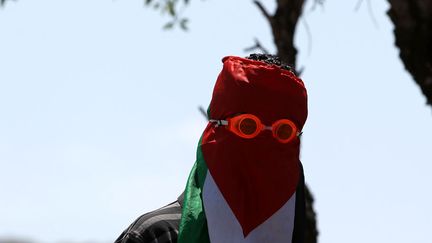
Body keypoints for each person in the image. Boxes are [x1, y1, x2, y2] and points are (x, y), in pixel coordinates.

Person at [115, 53, 308, 243]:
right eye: (247, 126)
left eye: (284, 132)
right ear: (215, 132)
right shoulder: (156, 236)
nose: (265, 148)